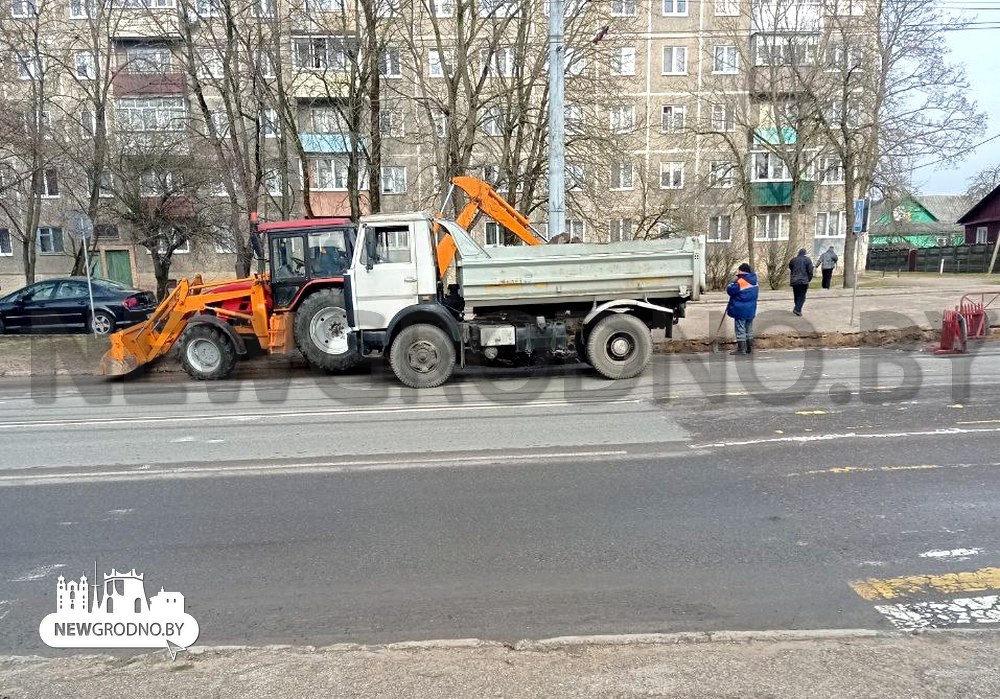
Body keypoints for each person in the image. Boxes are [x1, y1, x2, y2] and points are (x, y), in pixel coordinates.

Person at [726, 262, 759, 356]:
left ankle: (741, 349)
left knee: (740, 328)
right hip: (751, 308)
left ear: (742, 271)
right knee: (749, 328)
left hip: (740, 309)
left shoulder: (740, 281)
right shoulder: (755, 281)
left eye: (739, 270)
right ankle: (749, 348)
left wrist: (731, 283)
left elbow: (730, 290)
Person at [788, 248, 814, 316]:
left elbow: (790, 267)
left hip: (794, 281)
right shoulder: (807, 260)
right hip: (803, 281)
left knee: (796, 295)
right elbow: (810, 271)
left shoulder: (793, 260)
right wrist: (809, 279)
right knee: (802, 296)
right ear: (805, 253)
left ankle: (797, 308)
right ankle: (797, 309)